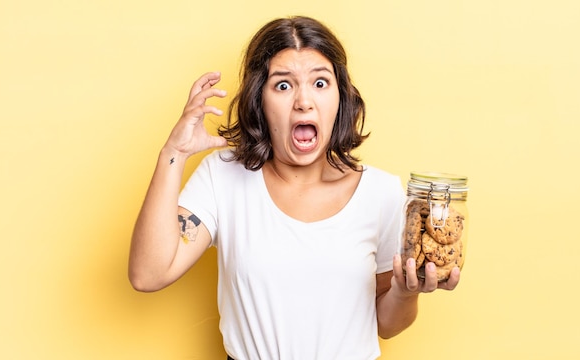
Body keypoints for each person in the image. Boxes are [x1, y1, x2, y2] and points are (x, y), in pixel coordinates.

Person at [128, 15, 460, 360]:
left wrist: (407, 294)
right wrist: (175, 153)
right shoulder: (224, 177)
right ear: (260, 100)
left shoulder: (382, 193)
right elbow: (148, 274)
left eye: (320, 83)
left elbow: (385, 324)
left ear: (340, 97)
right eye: (283, 86)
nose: (304, 101)